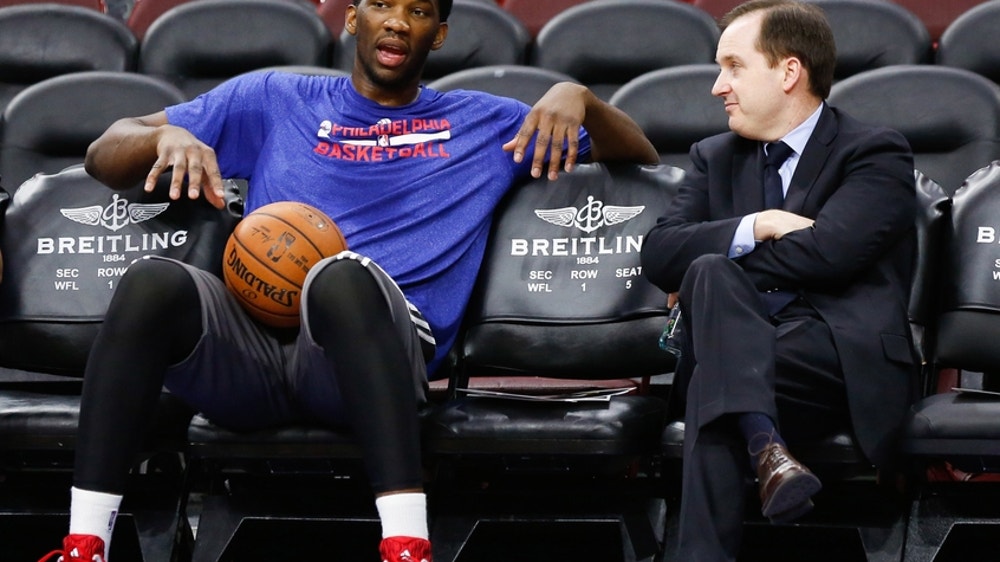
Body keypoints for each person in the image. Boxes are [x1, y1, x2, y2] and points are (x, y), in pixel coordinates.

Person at [37, 0, 658, 560]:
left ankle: (406, 544)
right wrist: (163, 136)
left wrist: (581, 98)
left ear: (438, 34)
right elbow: (103, 155)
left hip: (374, 354)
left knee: (340, 276)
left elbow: (641, 157)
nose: (398, 21)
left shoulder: (489, 123)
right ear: (354, 18)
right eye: (382, 4)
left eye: (418, 11)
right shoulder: (275, 98)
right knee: (151, 282)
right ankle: (86, 543)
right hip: (256, 355)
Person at [639, 0, 918, 560]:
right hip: (745, 350)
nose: (718, 86)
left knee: (710, 289)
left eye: (734, 67)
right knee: (711, 291)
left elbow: (830, 255)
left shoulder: (873, 151)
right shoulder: (713, 156)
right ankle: (767, 449)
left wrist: (715, 257)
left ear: (789, 71)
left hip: (834, 354)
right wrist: (758, 224)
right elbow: (659, 254)